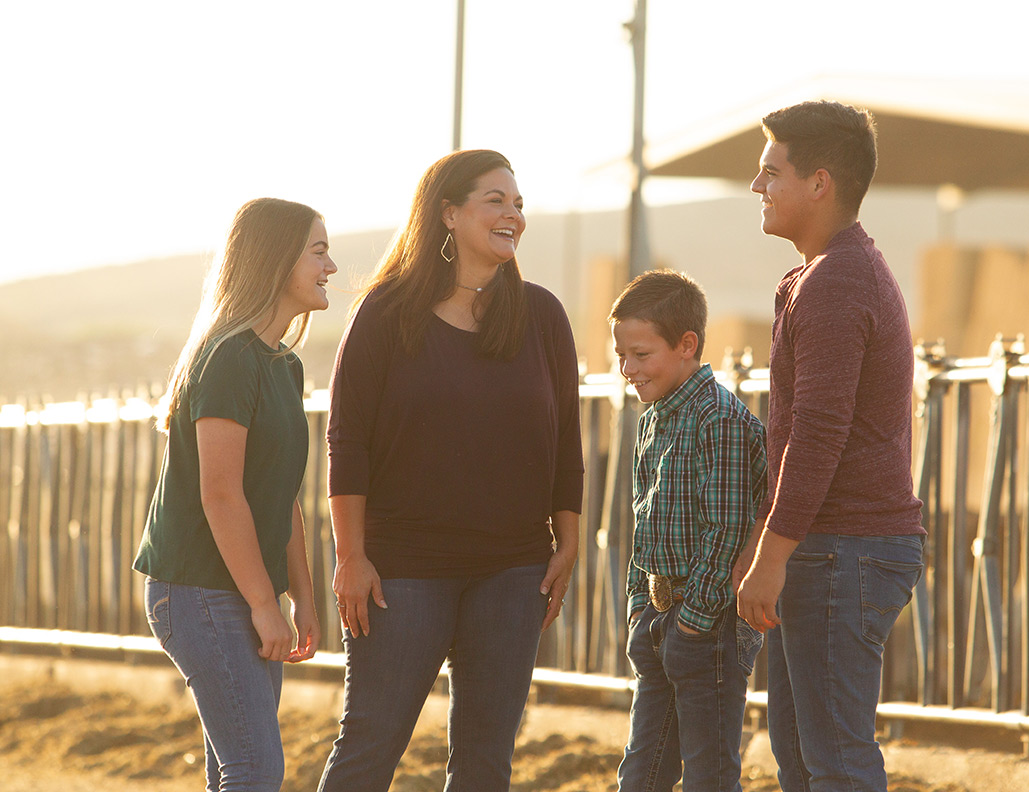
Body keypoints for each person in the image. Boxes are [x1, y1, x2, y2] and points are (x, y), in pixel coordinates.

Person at [317, 149, 585, 792]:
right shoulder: (384, 313)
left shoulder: (543, 315)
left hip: (514, 569)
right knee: (370, 747)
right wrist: (350, 555)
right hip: (402, 570)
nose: (512, 215)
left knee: (486, 760)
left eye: (518, 204)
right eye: (496, 200)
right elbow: (345, 441)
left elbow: (567, 441)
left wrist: (569, 540)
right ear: (448, 212)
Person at [734, 101, 926, 792]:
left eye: (769, 173)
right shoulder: (820, 274)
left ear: (819, 183)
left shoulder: (839, 280)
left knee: (835, 762)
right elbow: (798, 432)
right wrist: (769, 542)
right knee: (802, 754)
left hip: (843, 547)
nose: (758, 187)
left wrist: (771, 555)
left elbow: (819, 432)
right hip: (826, 545)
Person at [134, 197, 334, 791]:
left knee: (237, 770)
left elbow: (282, 495)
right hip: (197, 592)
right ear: (276, 262)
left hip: (239, 590)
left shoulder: (282, 365)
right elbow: (221, 496)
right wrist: (264, 604)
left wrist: (303, 597)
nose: (330, 267)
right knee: (254, 769)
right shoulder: (227, 359)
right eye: (318, 251)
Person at [610, 269, 769, 791]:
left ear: (686, 344)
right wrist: (639, 603)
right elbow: (643, 519)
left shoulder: (716, 418)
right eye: (621, 355)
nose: (627, 369)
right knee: (642, 772)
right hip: (660, 618)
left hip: (711, 625)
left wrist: (693, 624)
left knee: (709, 774)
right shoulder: (654, 416)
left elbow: (727, 530)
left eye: (640, 354)